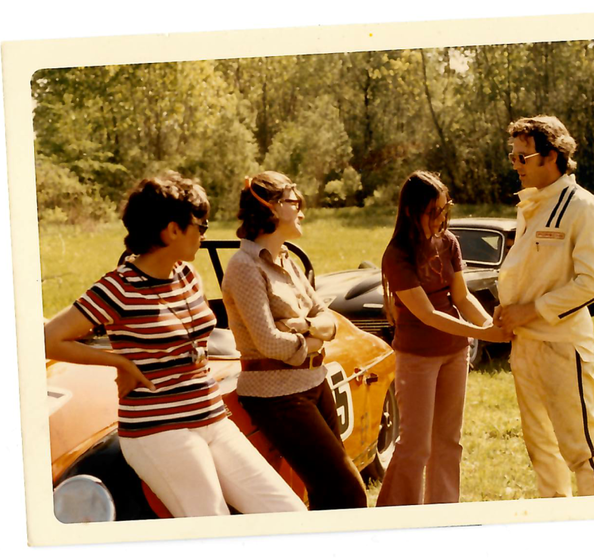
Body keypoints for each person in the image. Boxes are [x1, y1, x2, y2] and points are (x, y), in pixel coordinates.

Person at [44, 171, 306, 517]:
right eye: (202, 225)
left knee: (286, 512)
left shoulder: (187, 274)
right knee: (213, 525)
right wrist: (120, 362)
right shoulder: (119, 287)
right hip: (159, 430)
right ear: (172, 230)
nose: (204, 234)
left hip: (211, 417)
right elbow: (50, 340)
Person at [221, 172, 367, 511]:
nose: (301, 210)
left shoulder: (288, 260)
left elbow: (328, 320)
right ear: (269, 209)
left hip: (314, 382)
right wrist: (312, 343)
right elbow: (269, 343)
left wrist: (301, 325)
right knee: (349, 492)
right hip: (276, 395)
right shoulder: (243, 267)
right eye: (293, 202)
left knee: (328, 493)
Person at [375, 171, 508, 507]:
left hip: (454, 354)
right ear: (410, 211)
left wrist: (490, 323)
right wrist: (483, 333)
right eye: (433, 212)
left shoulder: (449, 243)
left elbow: (462, 298)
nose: (441, 219)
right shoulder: (397, 254)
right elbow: (428, 315)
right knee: (416, 445)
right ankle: (394, 516)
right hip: (417, 357)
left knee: (449, 441)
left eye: (444, 210)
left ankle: (444, 512)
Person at [496, 115, 594, 497]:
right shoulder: (530, 203)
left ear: (552, 156)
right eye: (512, 156)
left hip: (562, 345)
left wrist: (528, 311)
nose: (515, 165)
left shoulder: (584, 206)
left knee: (580, 451)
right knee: (541, 450)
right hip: (524, 343)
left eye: (522, 158)